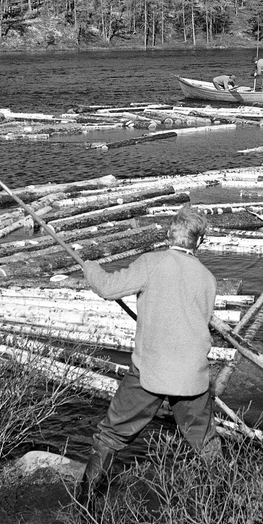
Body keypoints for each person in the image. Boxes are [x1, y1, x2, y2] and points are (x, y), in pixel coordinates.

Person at [78, 205, 221, 500]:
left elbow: (107, 287)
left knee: (110, 435)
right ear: (199, 240)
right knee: (205, 444)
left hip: (151, 372)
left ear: (170, 234)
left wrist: (90, 268)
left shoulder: (152, 262)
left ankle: (87, 505)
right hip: (193, 375)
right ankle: (222, 506)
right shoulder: (208, 278)